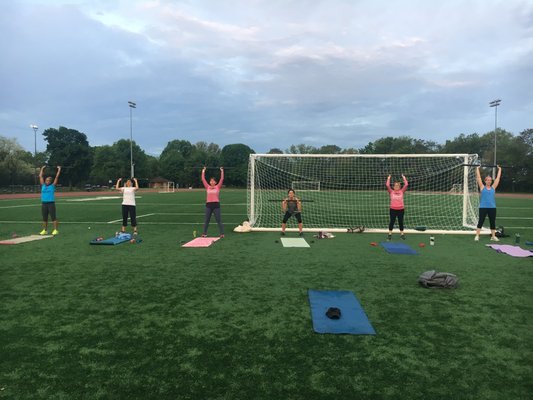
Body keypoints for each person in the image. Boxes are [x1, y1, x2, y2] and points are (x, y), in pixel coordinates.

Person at [474, 166, 502, 241]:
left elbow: (498, 178)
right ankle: (477, 235)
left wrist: (499, 169)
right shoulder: (482, 187)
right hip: (483, 207)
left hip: (492, 208)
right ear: (485, 181)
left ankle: (493, 236)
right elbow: (479, 178)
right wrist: (477, 169)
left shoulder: (493, 187)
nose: (489, 181)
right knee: (481, 221)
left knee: (492, 222)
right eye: (487, 180)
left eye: (490, 180)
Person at [201, 167, 224, 238]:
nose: (212, 182)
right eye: (211, 181)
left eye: (213, 181)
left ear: (215, 182)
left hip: (216, 205)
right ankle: (204, 233)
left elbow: (222, 179)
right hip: (208, 205)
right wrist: (203, 171)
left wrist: (222, 171)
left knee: (218, 220)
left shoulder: (218, 187)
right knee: (206, 220)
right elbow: (203, 179)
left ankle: (222, 233)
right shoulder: (207, 187)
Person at [39, 165, 61, 235]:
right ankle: (44, 230)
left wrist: (59, 170)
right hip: (44, 203)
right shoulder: (43, 185)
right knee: (44, 218)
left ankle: (55, 230)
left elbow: (57, 177)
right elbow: (40, 176)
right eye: (46, 180)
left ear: (50, 182)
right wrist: (42, 169)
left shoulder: (52, 186)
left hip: (51, 204)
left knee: (53, 217)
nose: (47, 181)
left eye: (48, 180)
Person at [386, 174, 408, 241]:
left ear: (400, 186)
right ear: (393, 186)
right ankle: (389, 234)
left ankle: (402, 234)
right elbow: (387, 185)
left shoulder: (402, 191)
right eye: (395, 185)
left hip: (401, 209)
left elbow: (406, 184)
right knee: (392, 221)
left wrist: (404, 178)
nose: (396, 186)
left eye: (398, 185)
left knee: (400, 222)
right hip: (393, 209)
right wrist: (389, 178)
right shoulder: (391, 191)